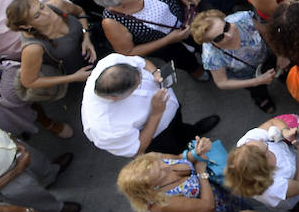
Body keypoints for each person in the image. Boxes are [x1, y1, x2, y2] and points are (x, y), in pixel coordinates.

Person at [81, 54, 220, 158]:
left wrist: (155, 72)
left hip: (172, 112)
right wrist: (156, 114)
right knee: (176, 152)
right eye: (138, 86)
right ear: (115, 97)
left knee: (182, 129)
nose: (143, 79)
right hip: (160, 138)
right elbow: (138, 149)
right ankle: (192, 159)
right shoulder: (104, 128)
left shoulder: (110, 62)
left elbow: (142, 62)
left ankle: (192, 132)